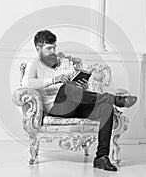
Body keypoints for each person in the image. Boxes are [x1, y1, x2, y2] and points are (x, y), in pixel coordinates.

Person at [22, 30, 137, 172]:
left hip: (75, 103)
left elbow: (74, 84)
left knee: (106, 108)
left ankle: (101, 157)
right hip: (56, 108)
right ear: (38, 48)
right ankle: (115, 99)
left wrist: (81, 86)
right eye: (49, 48)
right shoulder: (34, 64)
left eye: (54, 47)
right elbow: (26, 84)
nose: (53, 51)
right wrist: (53, 80)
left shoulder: (65, 62)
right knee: (65, 88)